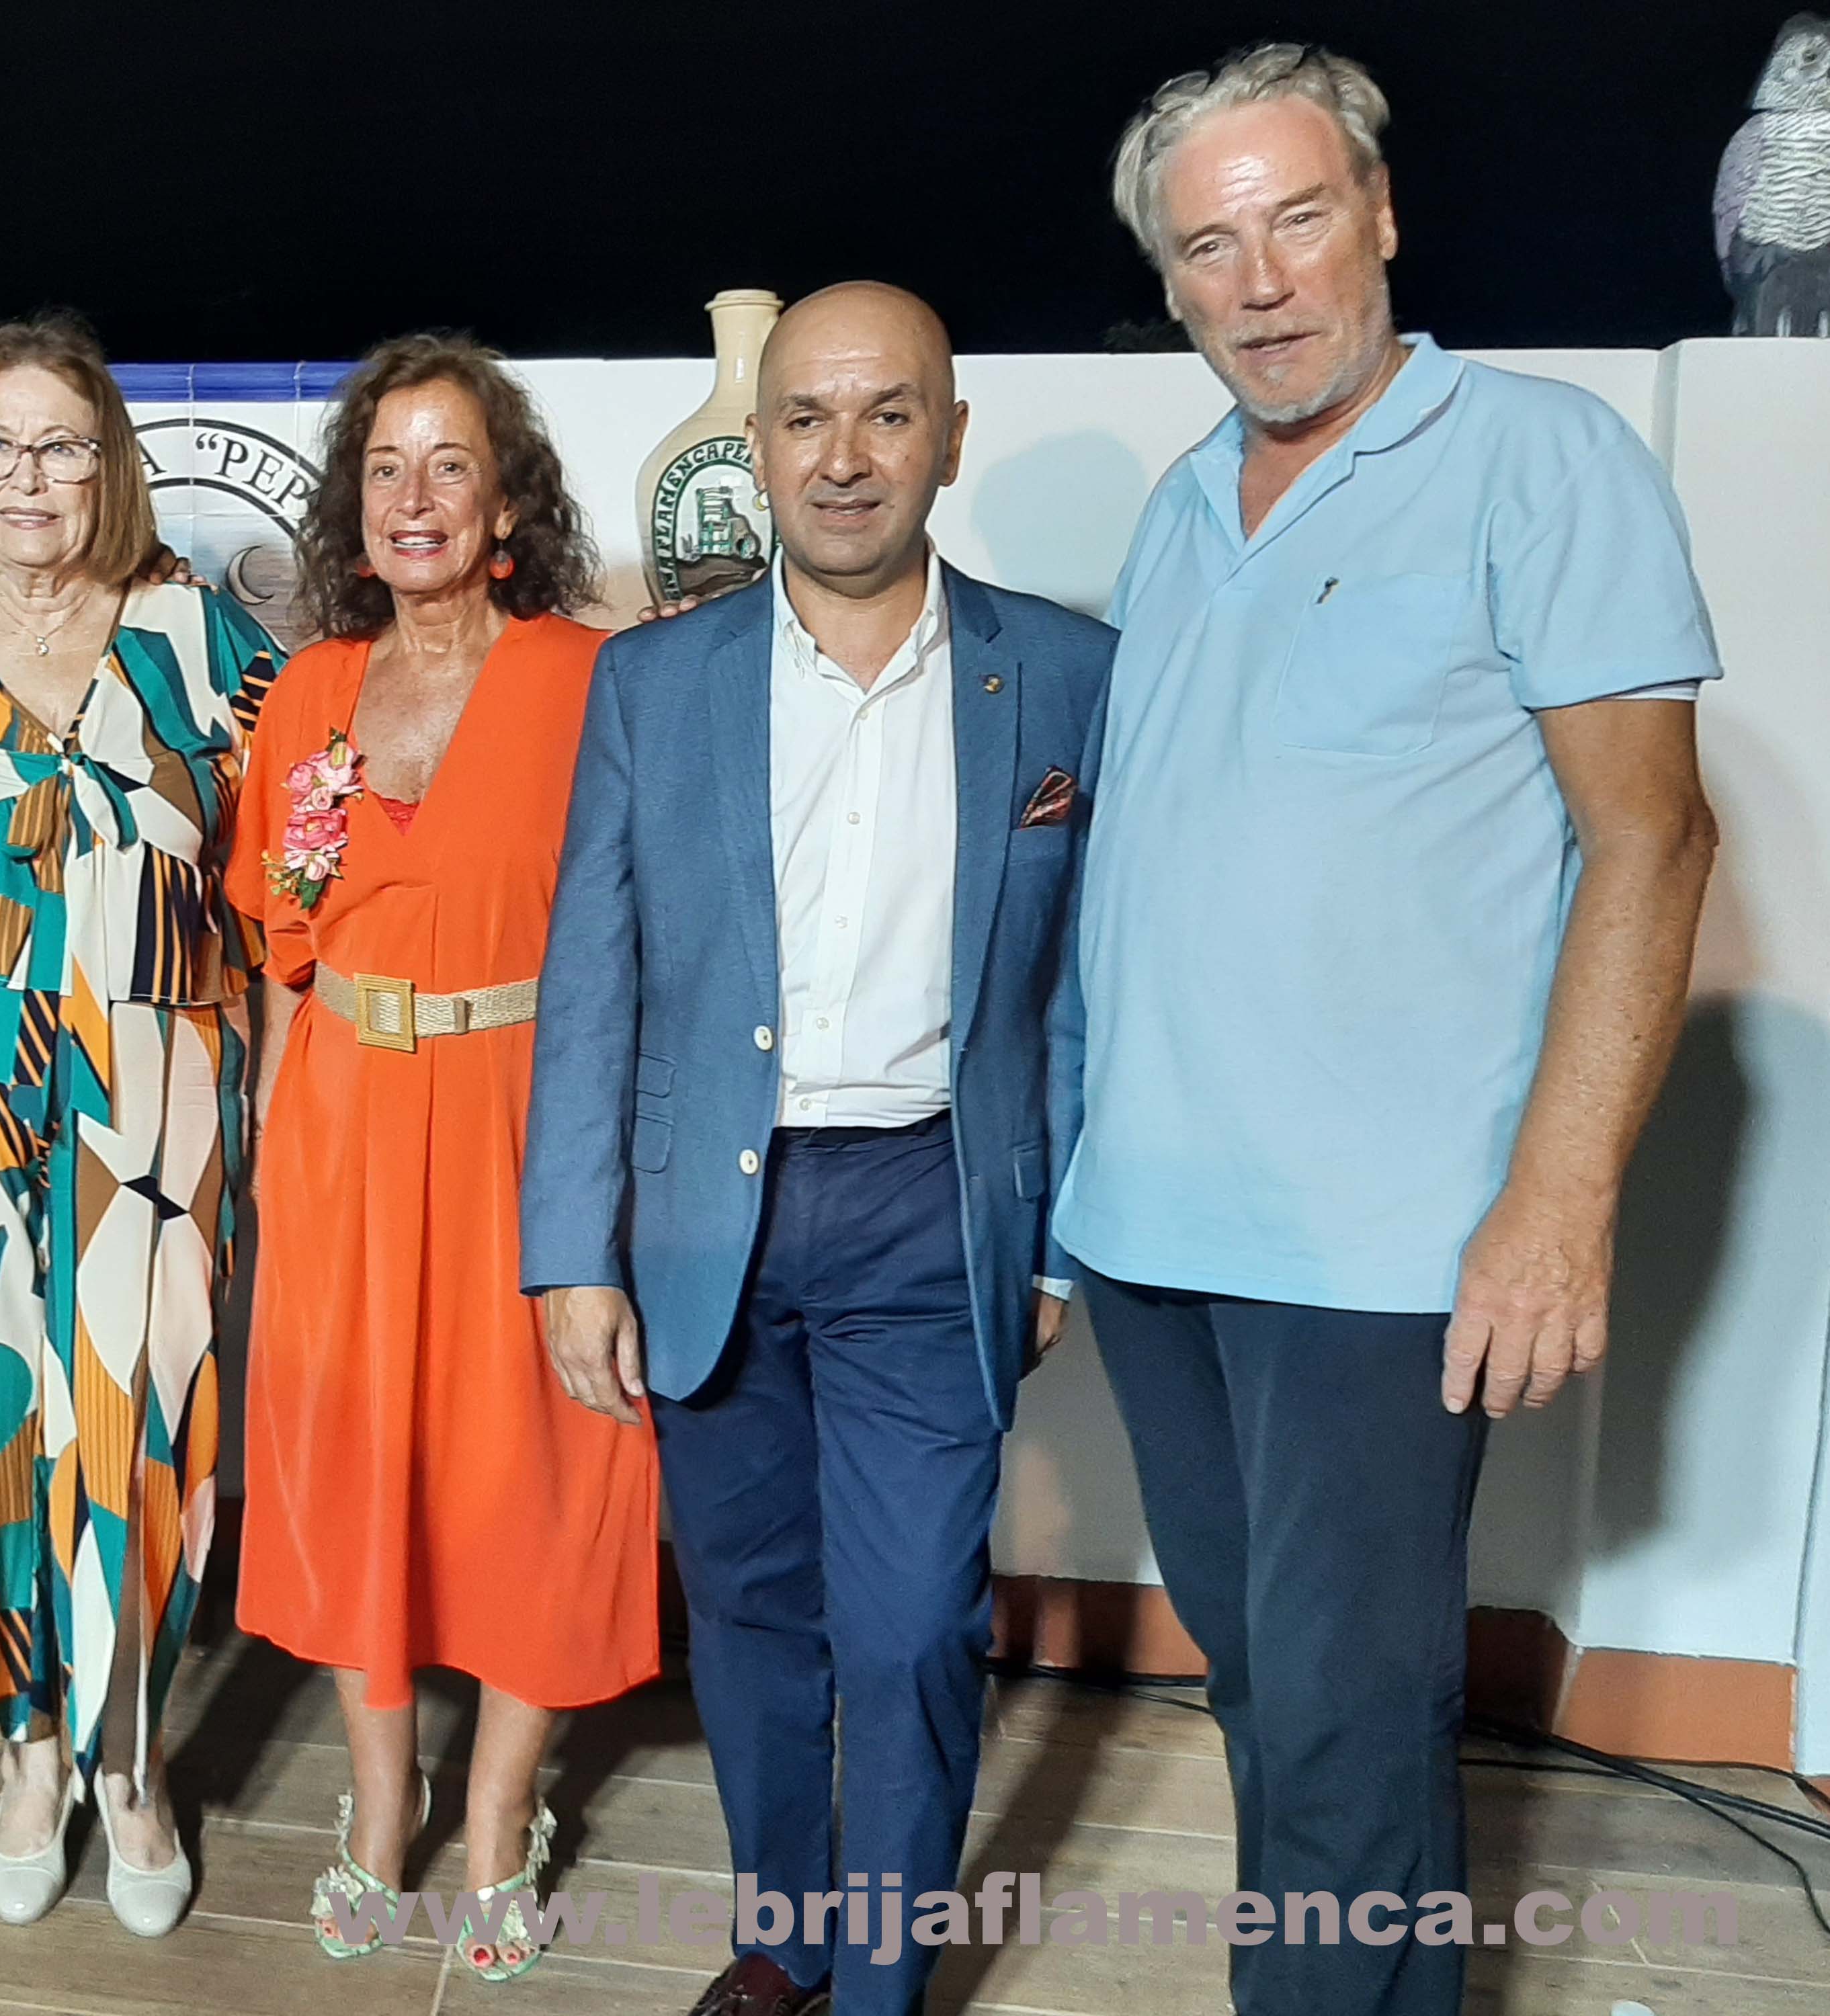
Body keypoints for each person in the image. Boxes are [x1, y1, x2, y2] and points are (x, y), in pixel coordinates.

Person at [1067, 45, 1720, 2016]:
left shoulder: (1542, 457)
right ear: (1171, 285)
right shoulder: (1182, 505)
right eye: (1210, 246)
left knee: (1348, 1726)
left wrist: (1556, 1207)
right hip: (1152, 1234)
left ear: (1380, 215)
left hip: (1373, 1255)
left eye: (1297, 219)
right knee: (1269, 1698)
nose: (1260, 280)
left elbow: (1653, 842)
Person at [521, 283, 1112, 2016]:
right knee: (755, 1613)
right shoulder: (653, 682)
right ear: (762, 447)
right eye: (806, 419)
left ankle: (883, 1981)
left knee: (913, 1625)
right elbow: (594, 976)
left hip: (933, 1208)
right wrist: (571, 1251)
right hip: (710, 1219)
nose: (844, 457)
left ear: (949, 438)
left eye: (887, 414)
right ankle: (785, 1940)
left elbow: (1089, 984)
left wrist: (1058, 1240)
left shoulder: (1068, 674)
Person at [0, 313, 279, 1938]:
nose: (28, 477)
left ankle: (128, 1760)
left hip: (154, 1085)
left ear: (111, 466)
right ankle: (27, 1754)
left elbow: (300, 850)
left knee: (140, 1421)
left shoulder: (204, 634)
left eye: (63, 445)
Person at [229, 336, 659, 1980]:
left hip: (525, 1120)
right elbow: (284, 945)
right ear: (354, 506)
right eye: (386, 467)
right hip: (343, 1124)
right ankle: (378, 1807)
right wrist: (272, 1147)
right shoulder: (312, 695)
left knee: (535, 1471)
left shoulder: (590, 680)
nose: (415, 497)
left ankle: (499, 1817)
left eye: (451, 465)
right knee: (360, 1467)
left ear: (507, 505)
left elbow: (646, 944)